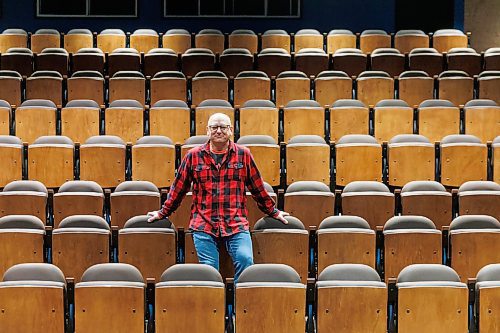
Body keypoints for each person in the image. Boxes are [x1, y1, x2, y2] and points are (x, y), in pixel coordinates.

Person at [147, 113, 289, 281]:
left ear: (230, 130)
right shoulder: (193, 156)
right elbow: (178, 189)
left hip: (236, 222)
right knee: (209, 271)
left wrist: (273, 211)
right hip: (203, 223)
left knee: (246, 261)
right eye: (214, 127)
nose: (219, 131)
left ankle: (239, 304)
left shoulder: (244, 155)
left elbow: (257, 187)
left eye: (223, 127)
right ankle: (215, 306)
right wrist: (162, 212)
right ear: (207, 130)